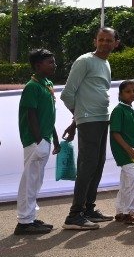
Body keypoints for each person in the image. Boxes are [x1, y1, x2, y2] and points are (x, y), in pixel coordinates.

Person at [61, 27, 117, 229]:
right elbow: (67, 94)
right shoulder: (84, 61)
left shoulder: (105, 63)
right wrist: (80, 117)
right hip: (89, 121)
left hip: (102, 119)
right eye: (101, 39)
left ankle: (88, 209)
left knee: (97, 164)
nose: (104, 43)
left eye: (108, 40)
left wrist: (75, 121)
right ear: (95, 41)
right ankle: (74, 215)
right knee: (88, 165)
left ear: (115, 44)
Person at [15, 49, 60, 236]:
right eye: (50, 62)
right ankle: (24, 222)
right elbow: (31, 115)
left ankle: (30, 217)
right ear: (38, 65)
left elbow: (48, 115)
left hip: (45, 139)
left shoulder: (47, 83)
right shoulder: (32, 87)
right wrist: (39, 140)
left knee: (36, 181)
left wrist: (55, 139)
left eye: (53, 61)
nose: (54, 65)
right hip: (35, 141)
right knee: (30, 181)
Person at [109, 80, 134, 224]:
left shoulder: (131, 110)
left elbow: (133, 133)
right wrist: (129, 149)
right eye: (128, 91)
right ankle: (129, 212)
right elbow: (115, 133)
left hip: (133, 152)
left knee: (126, 182)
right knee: (131, 181)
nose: (132, 94)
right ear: (120, 94)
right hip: (124, 152)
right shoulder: (119, 110)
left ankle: (120, 211)